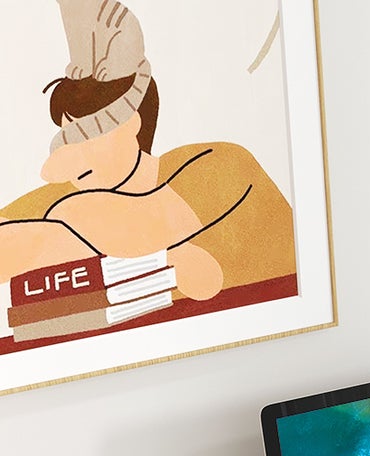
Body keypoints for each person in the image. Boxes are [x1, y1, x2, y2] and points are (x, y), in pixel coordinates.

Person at [0, 1, 296, 305]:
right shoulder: (66, 193)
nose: (63, 161)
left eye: (86, 135)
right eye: (65, 138)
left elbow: (193, 264)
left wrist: (58, 231)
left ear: (132, 123)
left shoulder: (217, 166)